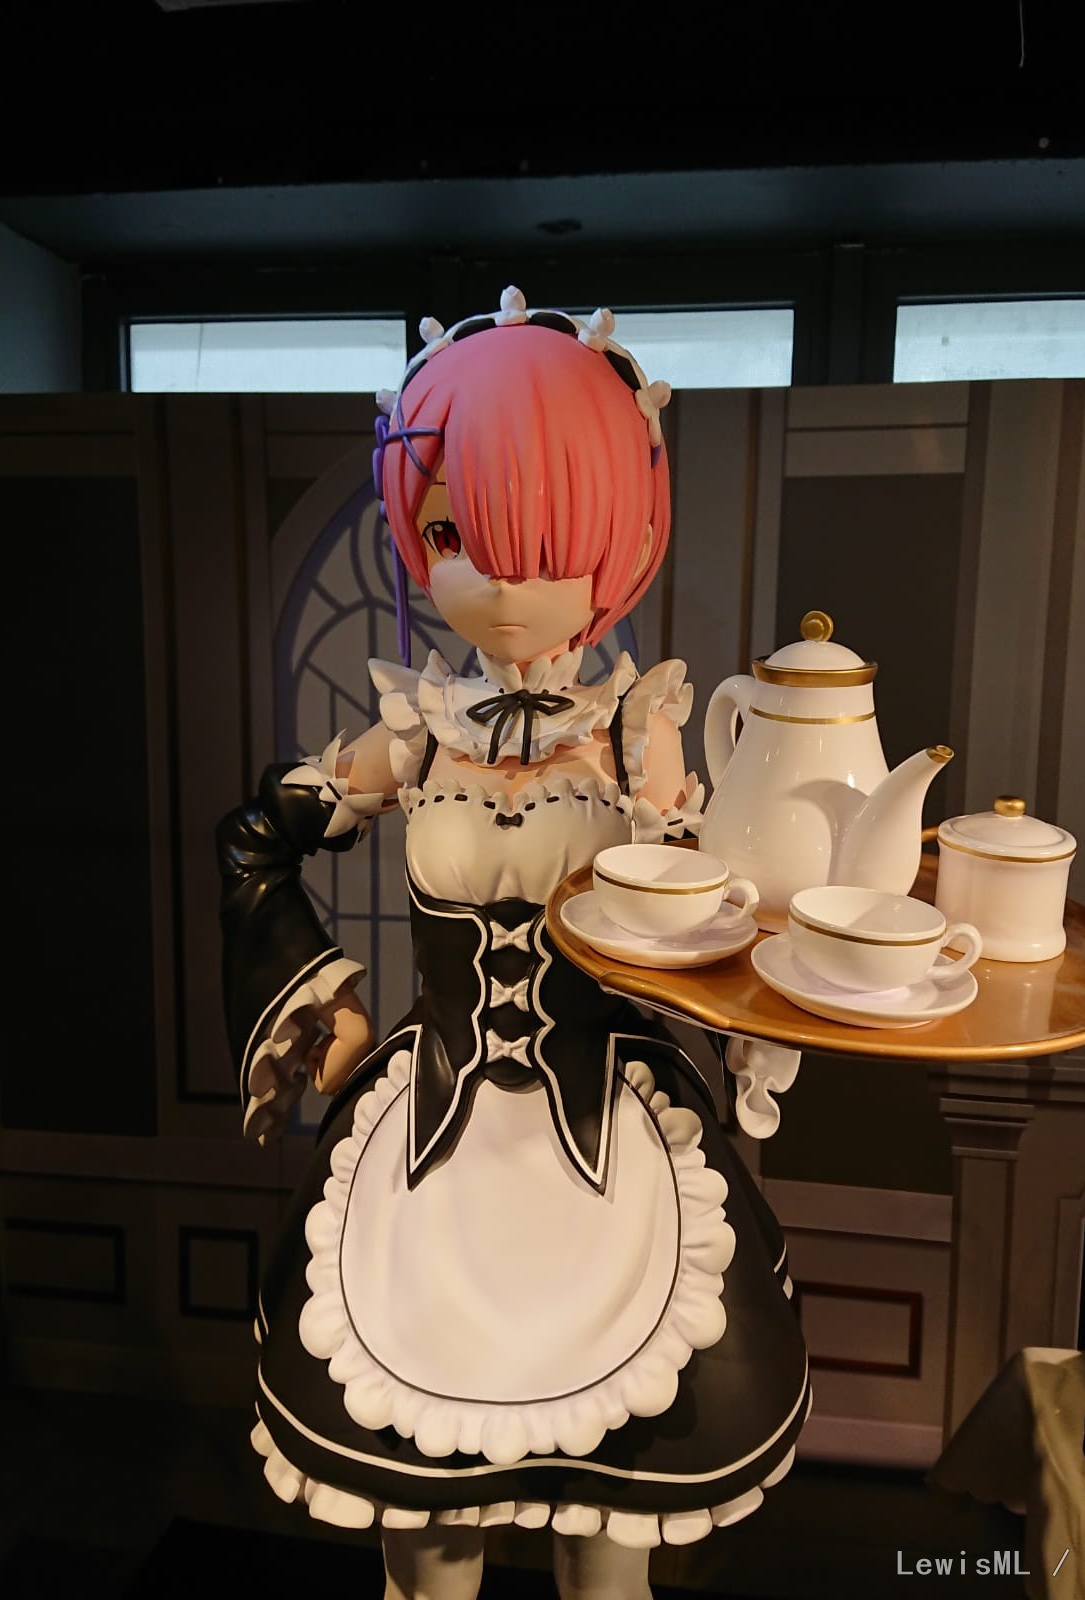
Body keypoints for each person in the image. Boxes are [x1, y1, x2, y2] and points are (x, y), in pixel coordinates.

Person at [216, 289, 809, 1600]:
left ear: (615, 535)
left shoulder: (640, 733)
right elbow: (258, 836)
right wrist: (320, 998)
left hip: (612, 1154)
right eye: (450, 535)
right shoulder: (416, 733)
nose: (492, 580)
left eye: (538, 540)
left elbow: (728, 905)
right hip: (425, 1159)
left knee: (612, 1564)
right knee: (425, 1558)